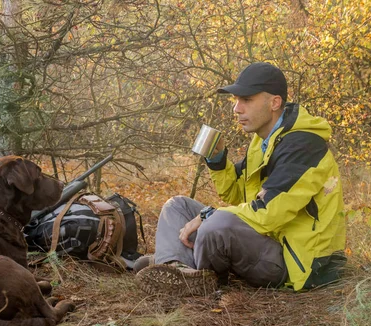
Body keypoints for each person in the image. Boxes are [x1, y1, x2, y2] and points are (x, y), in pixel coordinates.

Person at [134, 62, 346, 296]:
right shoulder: (263, 140)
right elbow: (236, 195)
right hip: (268, 240)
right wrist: (217, 160)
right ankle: (175, 266)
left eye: (246, 100)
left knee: (215, 225)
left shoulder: (303, 145)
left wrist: (208, 215)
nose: (236, 109)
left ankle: (183, 267)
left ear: (274, 102)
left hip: (298, 262)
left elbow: (268, 213)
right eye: (236, 100)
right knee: (178, 206)